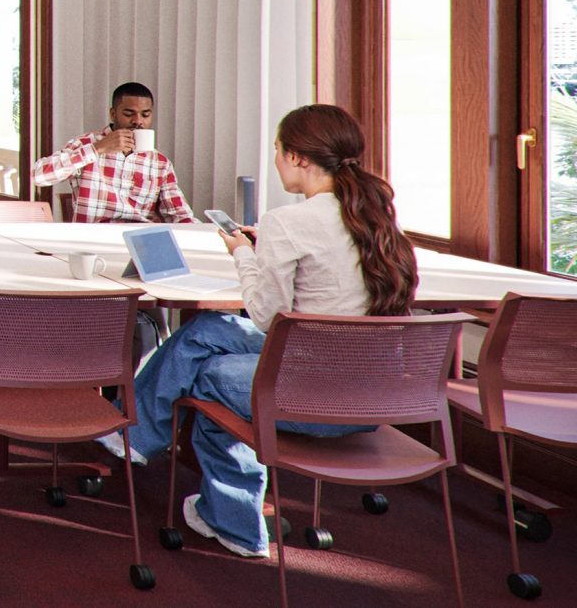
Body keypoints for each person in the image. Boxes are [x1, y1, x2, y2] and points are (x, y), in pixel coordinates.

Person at [94, 104, 418, 559]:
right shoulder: (377, 217)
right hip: (374, 392)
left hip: (310, 394)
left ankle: (232, 521)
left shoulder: (288, 222)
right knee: (209, 328)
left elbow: (266, 315)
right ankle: (138, 437)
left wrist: (243, 254)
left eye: (278, 151)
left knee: (208, 375)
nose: (277, 159)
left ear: (299, 158)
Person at [31, 82, 195, 223]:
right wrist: (98, 149)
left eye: (145, 115)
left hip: (140, 239)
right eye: (128, 114)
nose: (138, 121)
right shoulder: (86, 144)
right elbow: (37, 176)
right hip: (94, 239)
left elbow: (180, 215)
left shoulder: (159, 162)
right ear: (113, 114)